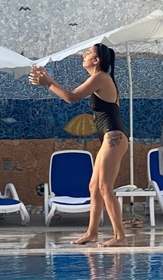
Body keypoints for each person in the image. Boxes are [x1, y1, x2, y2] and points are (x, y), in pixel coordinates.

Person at [29, 45, 129, 247]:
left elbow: (71, 97)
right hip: (109, 138)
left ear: (97, 60)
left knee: (104, 187)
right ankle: (92, 233)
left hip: (114, 137)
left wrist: (48, 83)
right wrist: (48, 80)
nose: (84, 55)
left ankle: (120, 237)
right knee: (94, 186)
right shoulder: (99, 78)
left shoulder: (101, 77)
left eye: (88, 53)